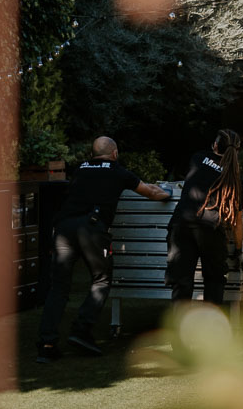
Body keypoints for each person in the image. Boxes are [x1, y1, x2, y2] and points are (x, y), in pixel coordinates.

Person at [36, 136, 169, 362]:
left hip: (64, 228)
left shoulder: (80, 169)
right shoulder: (119, 172)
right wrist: (167, 192)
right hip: (92, 229)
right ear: (115, 153)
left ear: (92, 154)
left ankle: (47, 344)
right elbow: (152, 193)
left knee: (58, 288)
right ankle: (81, 330)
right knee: (101, 280)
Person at [165, 129, 243, 306]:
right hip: (211, 229)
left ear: (215, 145)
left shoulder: (198, 158)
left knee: (181, 281)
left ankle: (178, 327)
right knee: (215, 280)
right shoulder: (235, 178)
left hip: (181, 225)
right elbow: (237, 221)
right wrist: (238, 251)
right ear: (237, 151)